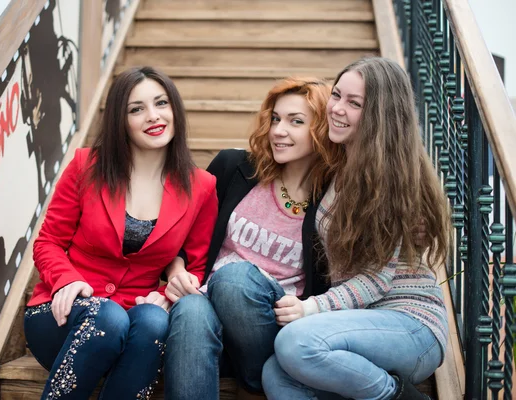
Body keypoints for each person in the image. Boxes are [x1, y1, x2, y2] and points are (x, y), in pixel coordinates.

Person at [261, 57, 451, 400]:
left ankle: (396, 396)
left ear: (379, 115)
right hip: (355, 324)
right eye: (336, 95)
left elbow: (377, 281)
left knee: (295, 342)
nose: (336, 108)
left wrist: (310, 307)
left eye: (354, 103)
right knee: (276, 374)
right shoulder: (340, 165)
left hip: (409, 323)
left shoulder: (392, 179)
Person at [23, 66, 218, 399]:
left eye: (161, 103)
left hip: (135, 318)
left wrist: (170, 291)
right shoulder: (86, 166)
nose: (153, 116)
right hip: (64, 313)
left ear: (175, 109)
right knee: (109, 318)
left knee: (155, 322)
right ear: (120, 120)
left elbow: (195, 266)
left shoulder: (202, 186)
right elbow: (49, 242)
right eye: (136, 109)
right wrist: (66, 280)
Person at [162, 78, 345, 399]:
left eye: (296, 121)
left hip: (271, 332)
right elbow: (178, 234)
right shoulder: (234, 167)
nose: (278, 130)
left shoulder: (334, 201)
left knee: (235, 279)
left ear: (322, 131)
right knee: (190, 310)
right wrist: (176, 272)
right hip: (206, 321)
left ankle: (265, 378)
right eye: (275, 118)